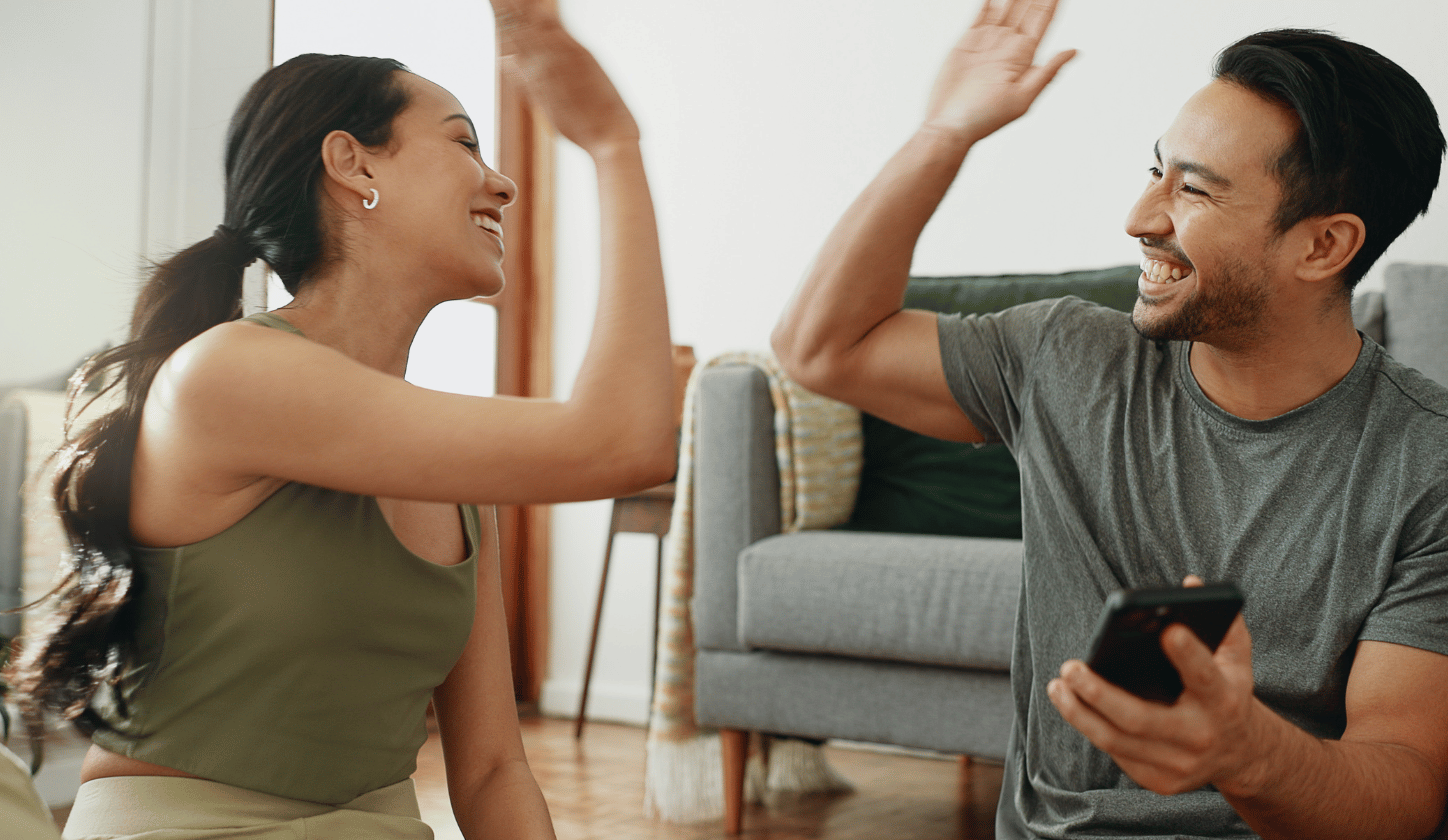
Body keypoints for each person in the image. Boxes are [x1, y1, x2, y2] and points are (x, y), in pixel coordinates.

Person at [772, 1, 1448, 838]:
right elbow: (820, 349)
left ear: (1322, 246)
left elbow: (1406, 788)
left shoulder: (1428, 465)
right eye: (1156, 169)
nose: (1140, 216)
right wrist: (943, 134)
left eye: (1193, 190)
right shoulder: (1067, 358)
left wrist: (1244, 752)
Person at [3, 0, 673, 837]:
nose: (500, 182)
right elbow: (623, 442)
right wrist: (613, 146)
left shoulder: (450, 472)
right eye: (465, 142)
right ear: (354, 166)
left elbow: (495, 771)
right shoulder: (229, 374)